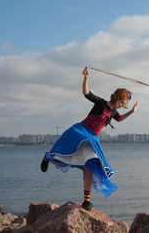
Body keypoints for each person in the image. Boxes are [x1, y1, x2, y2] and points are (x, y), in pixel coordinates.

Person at [40, 66, 139, 211]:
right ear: (117, 97)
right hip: (81, 132)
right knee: (62, 160)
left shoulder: (114, 112)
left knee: (90, 168)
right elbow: (86, 93)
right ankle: (47, 158)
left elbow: (120, 119)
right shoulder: (101, 103)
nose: (122, 105)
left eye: (124, 103)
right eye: (122, 102)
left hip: (92, 139)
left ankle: (86, 201)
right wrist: (86, 78)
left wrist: (132, 111)